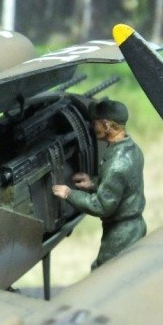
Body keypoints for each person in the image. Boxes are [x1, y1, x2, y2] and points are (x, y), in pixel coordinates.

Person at [52, 98, 146, 268]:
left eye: (95, 123)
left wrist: (69, 194)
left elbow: (102, 206)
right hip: (135, 227)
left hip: (120, 235)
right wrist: (93, 184)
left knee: (103, 273)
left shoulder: (117, 164)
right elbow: (121, 188)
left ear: (107, 125)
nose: (92, 127)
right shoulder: (132, 149)